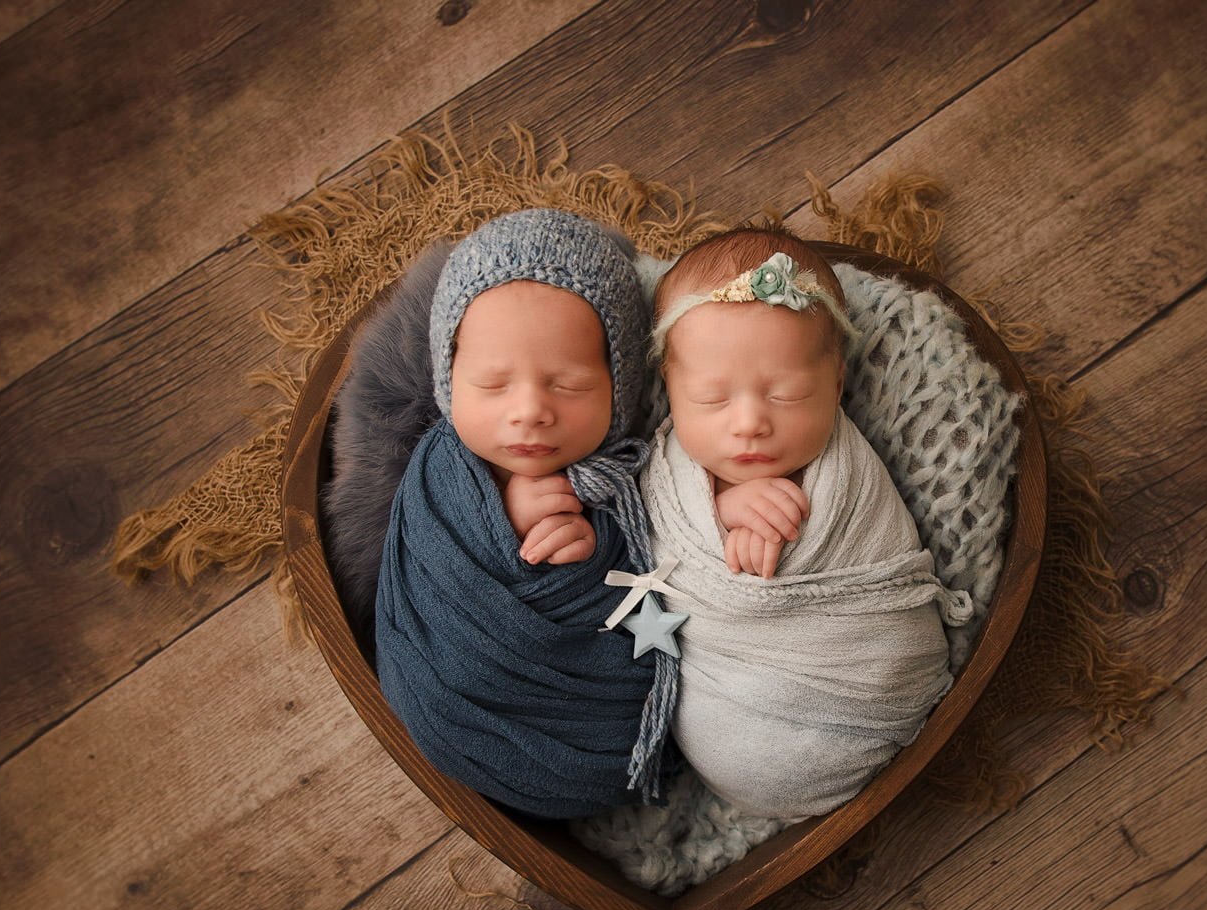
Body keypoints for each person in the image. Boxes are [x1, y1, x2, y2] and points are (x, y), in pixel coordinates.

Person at [639, 226, 971, 820]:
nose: (749, 424)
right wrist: (721, 509)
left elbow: (771, 575)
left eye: (787, 395)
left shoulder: (840, 478)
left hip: (857, 685)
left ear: (837, 384)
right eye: (713, 398)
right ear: (670, 388)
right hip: (724, 698)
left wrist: (760, 525)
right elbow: (652, 531)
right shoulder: (666, 470)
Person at [373, 209, 676, 819]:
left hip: (594, 721)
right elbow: (419, 557)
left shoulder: (635, 479)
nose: (530, 410)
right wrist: (497, 523)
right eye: (492, 383)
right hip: (451, 693)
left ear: (621, 388)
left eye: (566, 384)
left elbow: (659, 575)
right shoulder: (440, 471)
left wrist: (588, 557)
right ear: (449, 379)